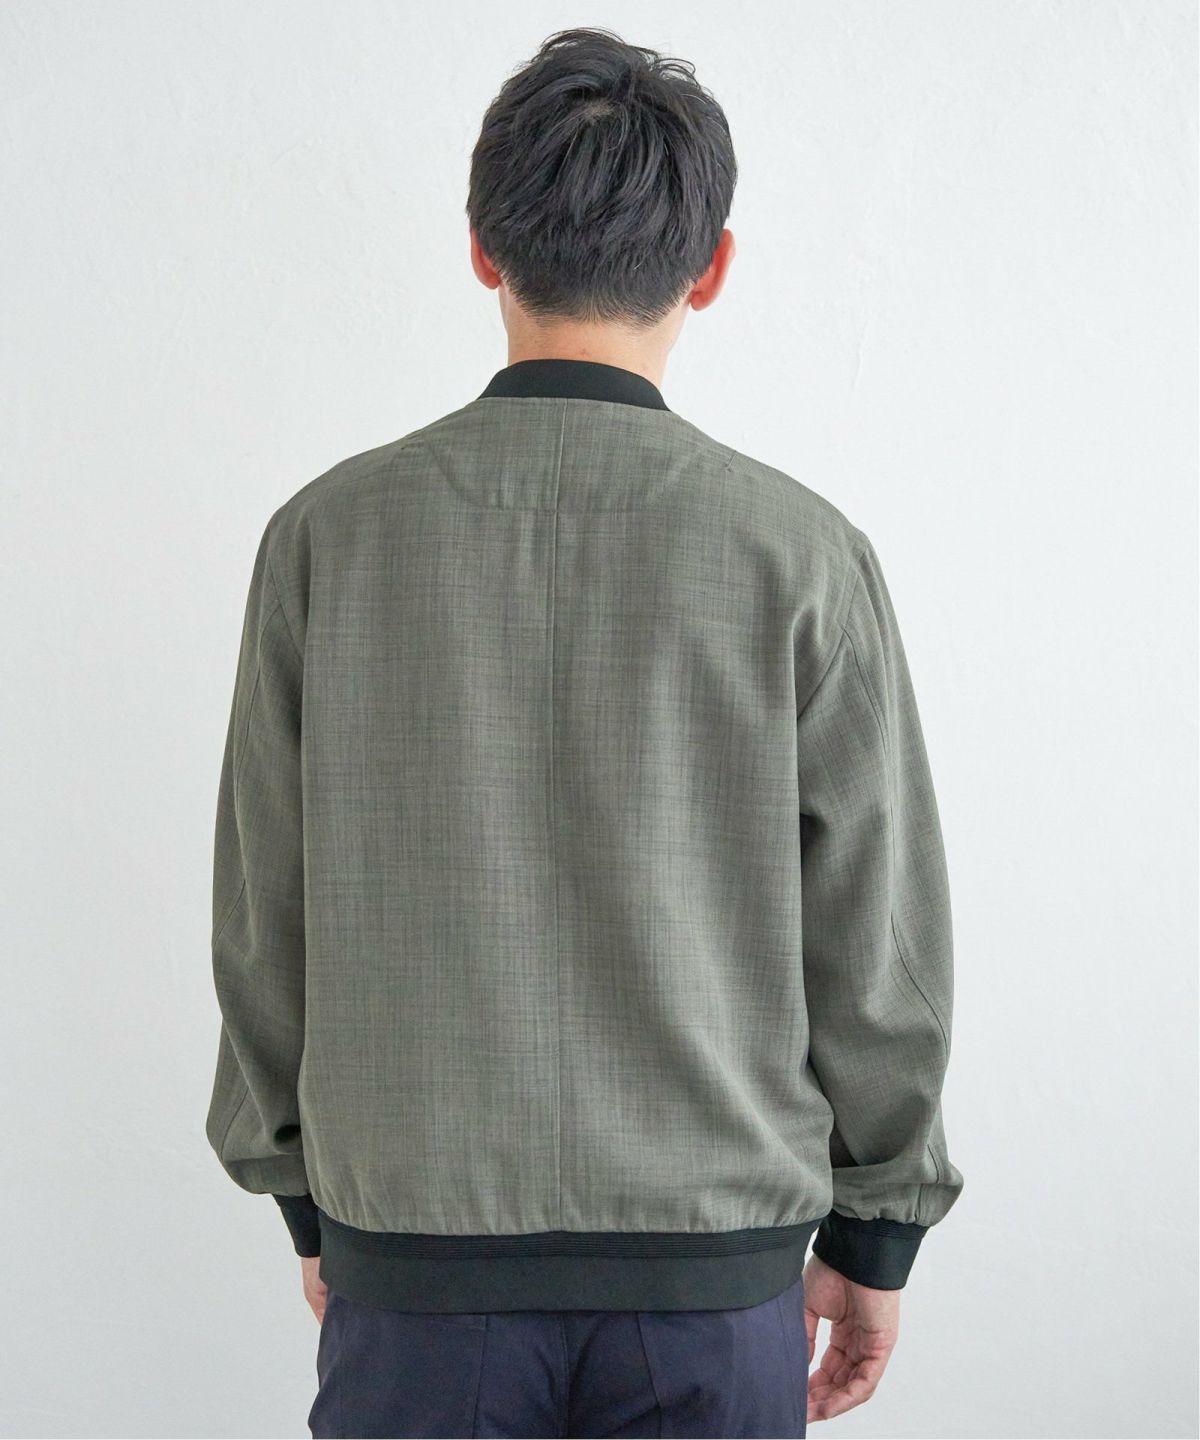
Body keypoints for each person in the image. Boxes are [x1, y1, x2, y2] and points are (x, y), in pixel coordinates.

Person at [204, 25, 964, 1439]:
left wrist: (309, 1200)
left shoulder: (326, 539)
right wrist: (878, 1231)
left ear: (482, 248)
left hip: (414, 1262)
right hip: (711, 1279)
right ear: (712, 266)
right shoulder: (801, 554)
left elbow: (263, 914)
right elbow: (881, 935)